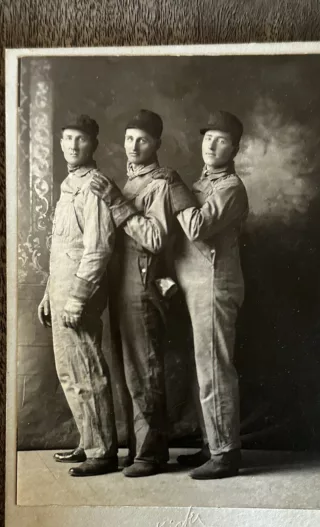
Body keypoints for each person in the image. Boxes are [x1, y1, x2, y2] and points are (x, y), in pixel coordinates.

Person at [89, 109, 196, 478]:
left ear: (157, 145)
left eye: (143, 140)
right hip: (122, 284)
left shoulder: (162, 183)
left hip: (144, 283)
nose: (134, 146)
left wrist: (117, 203)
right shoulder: (131, 182)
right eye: (129, 138)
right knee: (128, 367)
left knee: (145, 367)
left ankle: (150, 454)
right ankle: (139, 450)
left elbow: (153, 239)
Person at [37, 114, 135, 477]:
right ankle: (88, 440)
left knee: (87, 367)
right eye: (66, 138)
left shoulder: (95, 185)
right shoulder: (69, 183)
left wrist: (77, 297)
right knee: (69, 369)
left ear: (93, 144)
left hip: (82, 288)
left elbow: (98, 248)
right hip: (62, 287)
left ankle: (103, 451)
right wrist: (50, 293)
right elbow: (62, 246)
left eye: (80, 139)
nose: (72, 146)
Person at [174, 111, 249, 479]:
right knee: (204, 366)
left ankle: (225, 454)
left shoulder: (231, 188)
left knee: (215, 367)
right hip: (196, 283)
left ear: (234, 148)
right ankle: (211, 444)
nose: (211, 145)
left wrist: (175, 191)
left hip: (215, 284)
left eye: (221, 140)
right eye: (207, 138)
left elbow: (196, 227)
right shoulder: (201, 184)